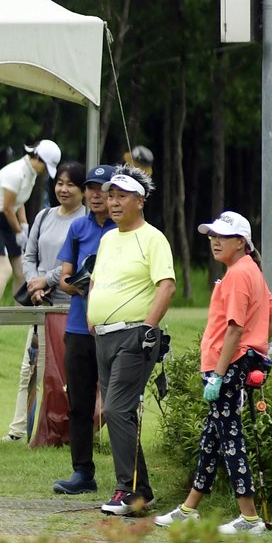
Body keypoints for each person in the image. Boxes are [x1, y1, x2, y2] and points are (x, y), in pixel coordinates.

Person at [156, 211, 272, 536]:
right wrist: (260, 350)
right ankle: (189, 509)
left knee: (230, 438)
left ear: (241, 243)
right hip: (235, 363)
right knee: (212, 438)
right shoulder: (249, 269)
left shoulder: (239, 273)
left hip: (224, 366)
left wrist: (220, 375)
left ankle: (250, 518)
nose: (214, 241)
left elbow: (235, 329)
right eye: (212, 235)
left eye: (222, 237)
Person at [86, 165, 175, 515]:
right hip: (104, 336)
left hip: (133, 334)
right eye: (111, 196)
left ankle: (129, 490)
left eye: (121, 196)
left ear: (140, 200)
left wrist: (148, 328)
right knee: (119, 412)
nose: (113, 202)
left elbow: (166, 285)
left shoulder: (153, 238)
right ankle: (141, 491)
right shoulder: (108, 238)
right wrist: (94, 315)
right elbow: (96, 280)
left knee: (116, 409)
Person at [1, 161, 86, 442]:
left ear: (83, 190)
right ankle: (19, 430)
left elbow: (75, 262)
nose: (63, 189)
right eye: (60, 183)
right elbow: (29, 255)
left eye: (70, 184)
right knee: (31, 368)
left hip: (72, 306)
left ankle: (66, 430)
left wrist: (45, 280)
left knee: (64, 372)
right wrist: (34, 284)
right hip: (42, 307)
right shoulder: (45, 216)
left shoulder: (85, 220)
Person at [50, 164, 117, 493]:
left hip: (115, 326)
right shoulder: (78, 228)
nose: (94, 194)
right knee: (78, 401)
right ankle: (82, 473)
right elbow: (64, 277)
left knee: (117, 404)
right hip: (78, 326)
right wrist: (76, 284)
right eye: (90, 188)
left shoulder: (124, 230)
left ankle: (126, 475)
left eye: (100, 189)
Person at [0, 139, 61, 310]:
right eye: (45, 165)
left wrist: (24, 224)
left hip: (7, 219)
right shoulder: (16, 173)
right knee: (4, 270)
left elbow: (18, 201)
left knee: (21, 271)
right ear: (38, 158)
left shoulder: (31, 173)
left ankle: (18, 313)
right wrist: (19, 232)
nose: (44, 171)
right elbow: (7, 208)